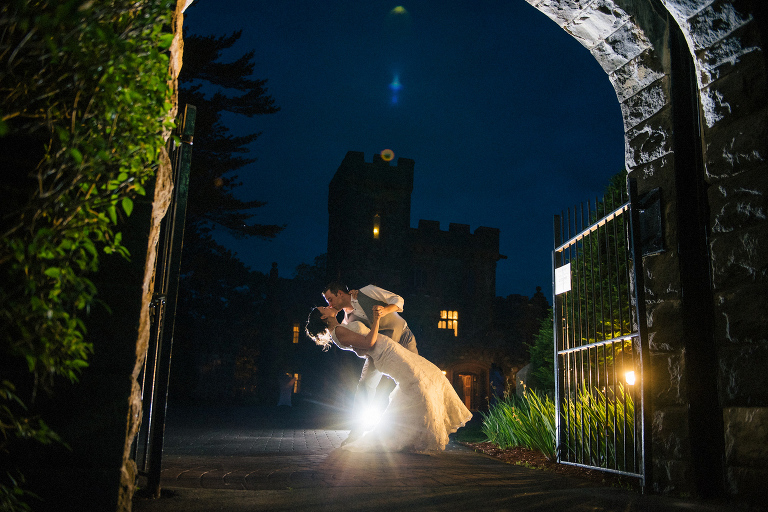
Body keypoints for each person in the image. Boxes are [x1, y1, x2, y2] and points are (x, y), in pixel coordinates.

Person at [305, 306, 472, 453]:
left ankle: (413, 435)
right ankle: (414, 435)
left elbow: (361, 349)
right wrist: (377, 319)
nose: (328, 306)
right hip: (386, 354)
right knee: (418, 383)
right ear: (323, 317)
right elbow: (369, 343)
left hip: (390, 349)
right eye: (324, 308)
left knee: (430, 374)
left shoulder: (340, 329)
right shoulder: (338, 332)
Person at [322, 282, 417, 442]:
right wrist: (366, 352)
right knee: (365, 385)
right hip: (379, 351)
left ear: (339, 293)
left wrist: (385, 310)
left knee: (415, 380)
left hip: (403, 338)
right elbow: (360, 346)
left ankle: (415, 428)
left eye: (330, 299)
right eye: (327, 303)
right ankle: (356, 432)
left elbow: (398, 300)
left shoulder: (367, 291)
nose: (330, 304)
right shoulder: (346, 322)